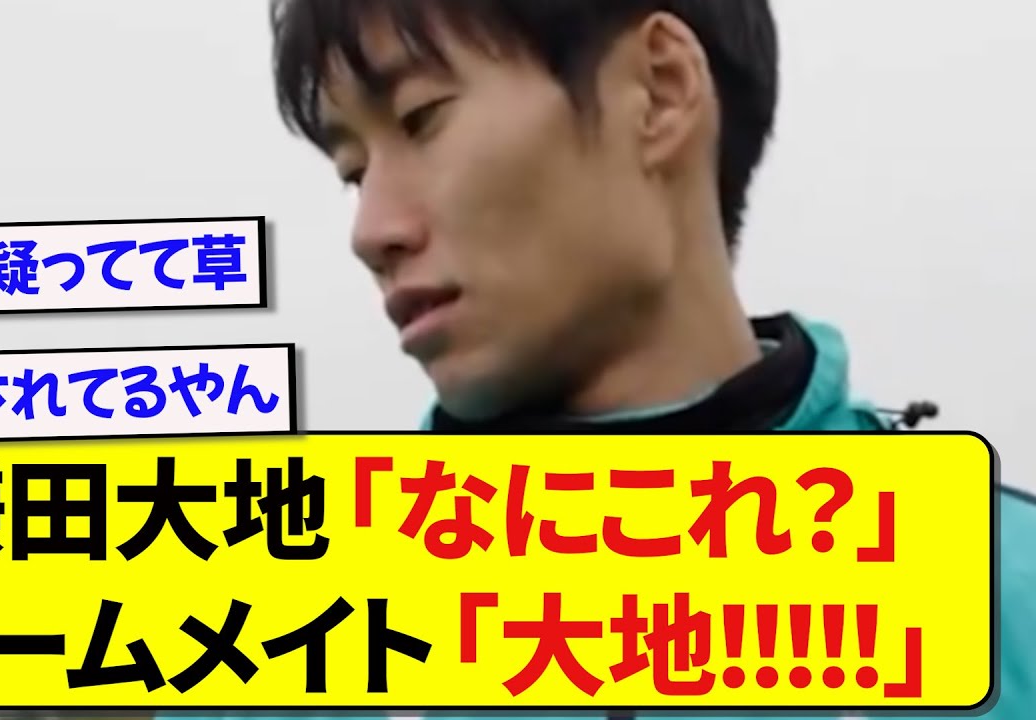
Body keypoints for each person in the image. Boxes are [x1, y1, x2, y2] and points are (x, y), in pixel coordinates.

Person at [157, 1, 1036, 719]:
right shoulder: (257, 646)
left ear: (659, 91)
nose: (371, 231)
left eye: (423, 119)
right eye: (354, 170)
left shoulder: (1007, 595)